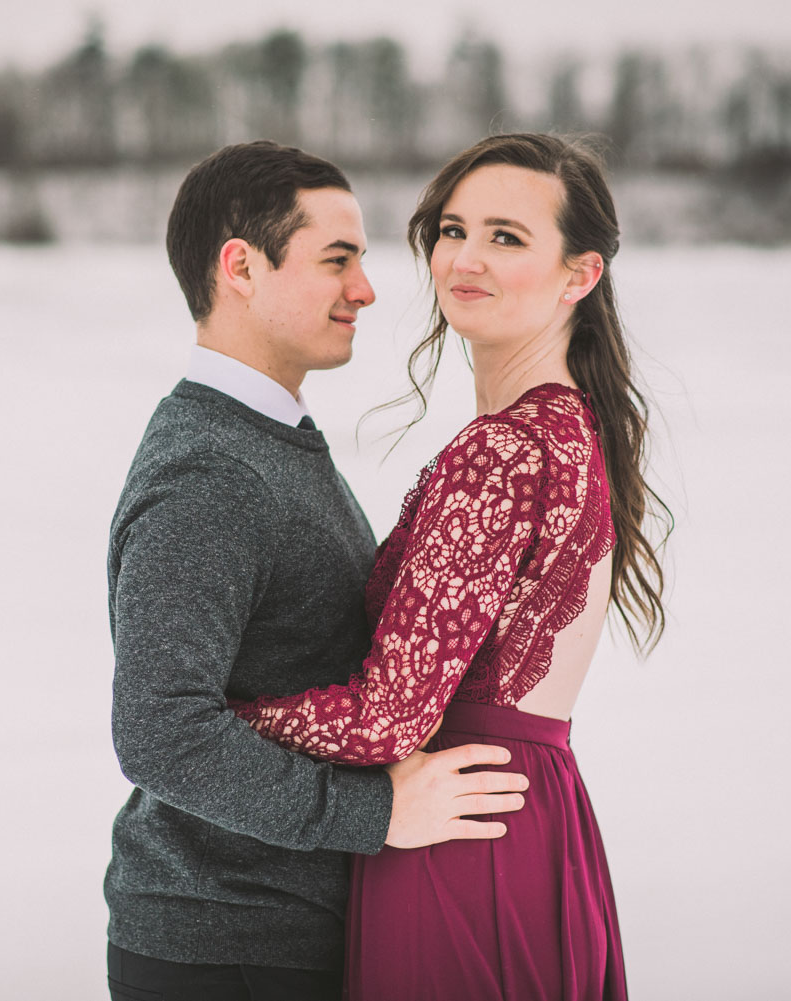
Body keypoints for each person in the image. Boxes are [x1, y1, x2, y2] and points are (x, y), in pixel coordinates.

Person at [230, 133, 669, 1000]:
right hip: (534, 817)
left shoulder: (503, 452)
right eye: (453, 230)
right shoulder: (575, 429)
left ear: (579, 274)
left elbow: (388, 717)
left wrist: (222, 718)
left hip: (456, 834)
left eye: (506, 237)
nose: (465, 258)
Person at [105, 140, 532, 1001]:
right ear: (241, 267)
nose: (365, 289)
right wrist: (376, 813)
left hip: (275, 936)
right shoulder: (209, 472)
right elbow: (160, 728)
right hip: (226, 947)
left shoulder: (264, 439)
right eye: (337, 259)